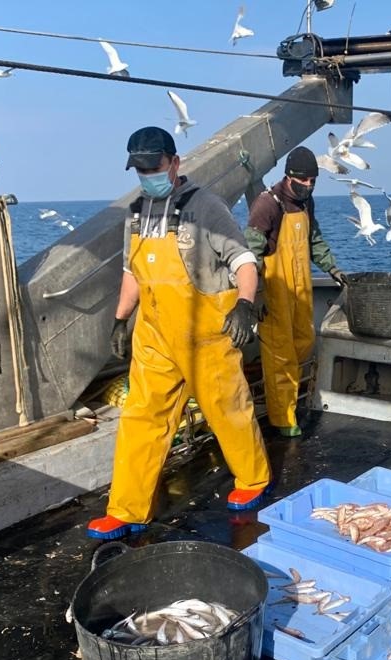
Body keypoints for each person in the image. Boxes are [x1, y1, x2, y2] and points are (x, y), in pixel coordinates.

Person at [88, 126, 272, 540]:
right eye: (140, 168)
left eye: (154, 166)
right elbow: (131, 272)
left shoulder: (206, 206)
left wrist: (244, 303)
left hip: (206, 332)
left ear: (174, 162)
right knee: (140, 418)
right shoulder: (135, 212)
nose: (148, 174)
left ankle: (253, 478)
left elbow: (243, 260)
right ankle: (126, 508)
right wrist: (121, 319)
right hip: (154, 336)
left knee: (228, 410)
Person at [244, 146, 346, 437]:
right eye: (304, 182)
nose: (309, 187)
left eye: (313, 182)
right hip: (274, 294)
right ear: (289, 178)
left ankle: (288, 402)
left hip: (300, 291)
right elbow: (249, 255)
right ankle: (282, 418)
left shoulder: (306, 203)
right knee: (281, 357)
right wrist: (258, 294)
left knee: (304, 341)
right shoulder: (267, 205)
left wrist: (333, 269)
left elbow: (314, 240)